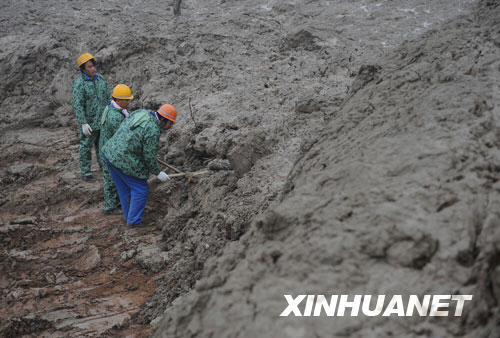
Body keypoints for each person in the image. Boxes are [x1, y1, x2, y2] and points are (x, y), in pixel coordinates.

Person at [101, 104, 177, 227]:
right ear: (164, 120)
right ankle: (134, 221)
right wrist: (158, 173)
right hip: (122, 159)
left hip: (110, 153)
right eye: (171, 123)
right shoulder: (153, 130)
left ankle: (129, 217)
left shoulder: (142, 112)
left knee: (124, 188)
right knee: (140, 189)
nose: (171, 126)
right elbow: (149, 157)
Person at [72, 53, 111, 181]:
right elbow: (78, 105)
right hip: (89, 123)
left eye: (93, 66)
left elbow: (108, 97)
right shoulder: (79, 84)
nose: (93, 69)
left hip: (102, 120)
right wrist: (83, 122)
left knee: (102, 146)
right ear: (83, 69)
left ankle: (104, 166)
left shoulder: (100, 79)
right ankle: (86, 171)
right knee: (86, 147)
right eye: (89, 67)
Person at [99, 84, 133, 215]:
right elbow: (124, 136)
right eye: (127, 100)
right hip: (110, 151)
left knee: (113, 177)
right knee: (110, 179)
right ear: (119, 100)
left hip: (107, 147)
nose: (129, 102)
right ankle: (110, 206)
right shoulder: (115, 117)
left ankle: (116, 202)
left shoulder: (112, 108)